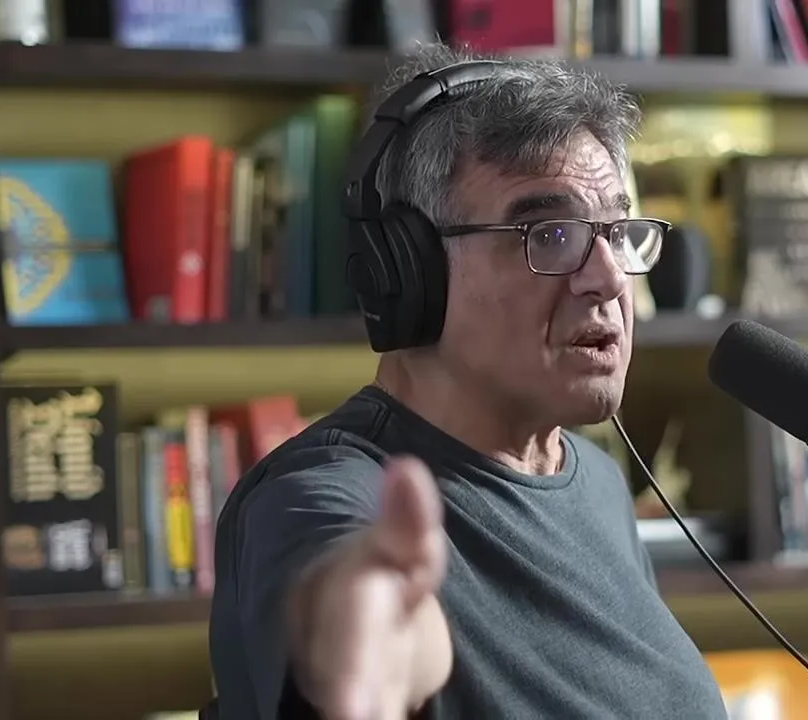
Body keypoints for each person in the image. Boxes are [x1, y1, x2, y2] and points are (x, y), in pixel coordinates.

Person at [207, 42, 730, 720]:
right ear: (409, 273)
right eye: (551, 234)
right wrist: (368, 640)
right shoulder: (318, 493)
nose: (607, 278)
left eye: (618, 232)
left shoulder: (597, 481)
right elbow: (351, 592)